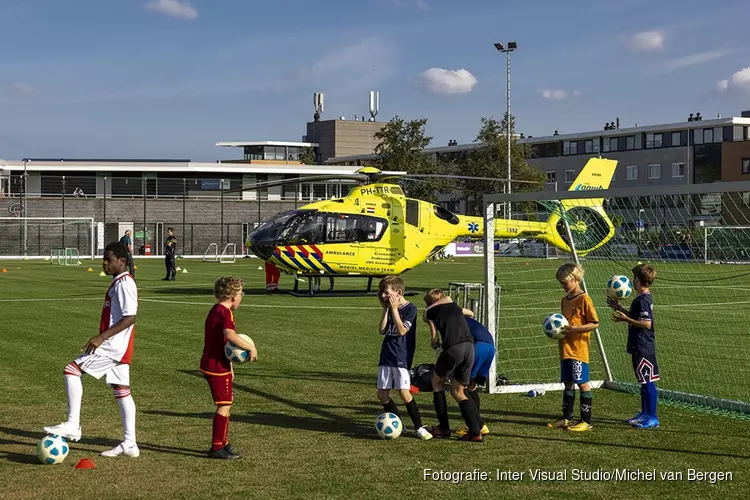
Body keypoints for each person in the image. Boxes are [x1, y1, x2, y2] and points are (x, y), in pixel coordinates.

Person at [44, 242, 139, 457]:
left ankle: (73, 423)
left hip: (112, 347)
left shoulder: (125, 283)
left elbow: (130, 317)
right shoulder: (119, 281)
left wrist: (101, 337)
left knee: (72, 370)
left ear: (121, 262)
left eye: (109, 260)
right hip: (118, 347)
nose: (105, 263)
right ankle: (130, 444)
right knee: (122, 391)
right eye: (103, 259)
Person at [200, 276, 257, 459]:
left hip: (217, 363)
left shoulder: (216, 310)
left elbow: (222, 342)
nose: (242, 297)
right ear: (233, 296)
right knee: (224, 406)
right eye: (241, 293)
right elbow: (230, 336)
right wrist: (250, 347)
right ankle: (217, 447)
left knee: (226, 404)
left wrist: (230, 364)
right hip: (215, 365)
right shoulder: (225, 313)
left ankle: (223, 442)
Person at [423, 289, 484, 442]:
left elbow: (434, 338)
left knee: (437, 382)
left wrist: (435, 343)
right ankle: (476, 430)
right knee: (458, 391)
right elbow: (470, 313)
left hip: (454, 347)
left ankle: (443, 427)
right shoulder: (454, 306)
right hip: (470, 348)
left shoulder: (430, 312)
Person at [376, 276, 433, 441]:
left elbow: (401, 331)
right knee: (382, 393)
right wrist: (386, 309)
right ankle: (399, 424)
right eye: (382, 292)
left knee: (403, 392)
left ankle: (419, 427)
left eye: (386, 292)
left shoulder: (410, 309)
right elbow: (381, 330)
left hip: (401, 356)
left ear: (398, 292)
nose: (383, 296)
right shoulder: (388, 307)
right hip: (386, 355)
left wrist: (394, 310)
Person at [547, 263, 600, 432]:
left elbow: (594, 324)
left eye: (564, 282)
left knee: (582, 383)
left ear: (575, 279)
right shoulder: (565, 300)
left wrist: (574, 329)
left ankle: (586, 421)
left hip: (578, 349)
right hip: (565, 348)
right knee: (568, 382)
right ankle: (566, 418)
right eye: (561, 283)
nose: (562, 286)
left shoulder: (584, 299)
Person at [609, 264, 660, 429]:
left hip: (644, 346)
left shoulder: (643, 300)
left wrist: (626, 320)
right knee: (644, 382)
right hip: (639, 345)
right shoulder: (641, 299)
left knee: (648, 382)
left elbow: (646, 324)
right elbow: (637, 317)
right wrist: (619, 308)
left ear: (637, 280)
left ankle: (652, 417)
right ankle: (644, 413)